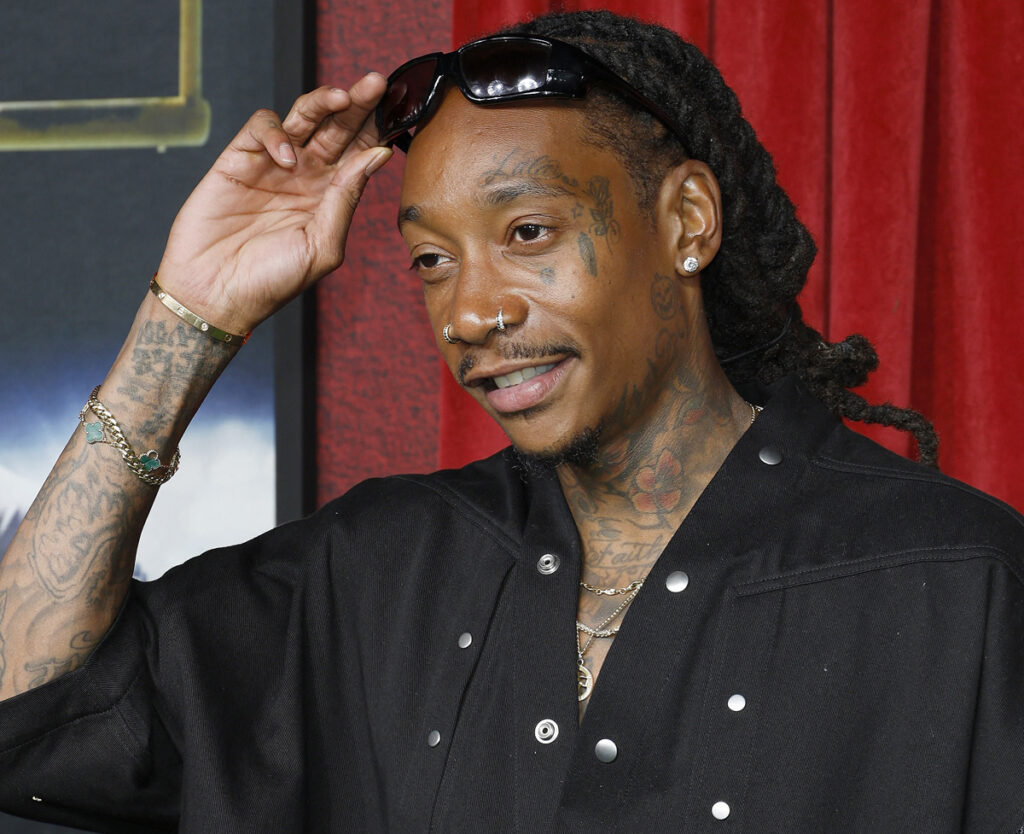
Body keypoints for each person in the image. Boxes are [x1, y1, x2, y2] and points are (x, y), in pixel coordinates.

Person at [1, 9, 1022, 832]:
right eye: (432, 261)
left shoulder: (957, 581)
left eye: (528, 232)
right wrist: (190, 314)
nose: (470, 312)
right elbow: (28, 712)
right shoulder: (374, 573)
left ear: (686, 222)